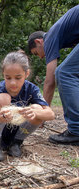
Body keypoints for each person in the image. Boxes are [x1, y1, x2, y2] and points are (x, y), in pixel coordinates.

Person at [0, 51, 55, 162]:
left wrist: (35, 112)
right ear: (3, 74)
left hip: (17, 131)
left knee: (38, 108)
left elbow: (51, 114)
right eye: (8, 78)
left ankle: (16, 143)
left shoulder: (31, 89)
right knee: (4, 98)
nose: (13, 83)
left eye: (18, 77)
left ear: (27, 74)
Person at [28, 5, 79, 145]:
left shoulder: (49, 37)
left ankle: (76, 130)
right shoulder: (61, 33)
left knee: (64, 72)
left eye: (36, 53)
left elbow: (50, 82)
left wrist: (43, 113)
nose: (39, 57)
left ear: (39, 42)